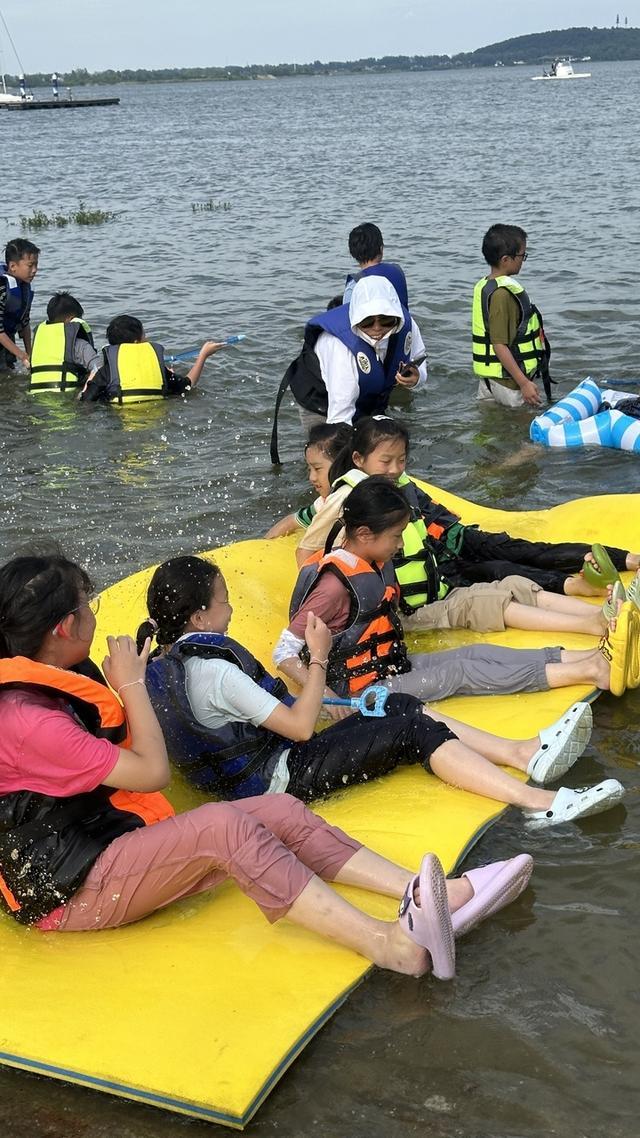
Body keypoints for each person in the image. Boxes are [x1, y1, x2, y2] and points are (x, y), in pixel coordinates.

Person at [0, 550, 536, 981]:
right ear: (65, 627)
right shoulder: (29, 719)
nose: (97, 616)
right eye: (88, 607)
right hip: (65, 893)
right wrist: (133, 685)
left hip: (102, 846)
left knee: (276, 810)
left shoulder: (57, 676)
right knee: (224, 825)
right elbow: (151, 773)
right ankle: (389, 945)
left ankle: (433, 895)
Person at [140, 554, 615, 828]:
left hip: (253, 774)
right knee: (411, 729)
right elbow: (301, 728)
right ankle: (540, 804)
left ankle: (521, 752)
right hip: (282, 781)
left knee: (396, 702)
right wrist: (321, 656)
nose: (230, 609)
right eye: (223, 602)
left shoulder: (162, 665)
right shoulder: (217, 673)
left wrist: (342, 707)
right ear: (199, 617)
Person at [277, 475, 637, 720]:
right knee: (460, 672)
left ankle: (590, 655)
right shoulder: (335, 585)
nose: (401, 544)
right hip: (357, 691)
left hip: (387, 666)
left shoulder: (371, 560)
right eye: (396, 536)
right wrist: (323, 693)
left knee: (473, 653)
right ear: (365, 533)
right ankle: (590, 672)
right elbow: (284, 651)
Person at [295, 416, 640, 603]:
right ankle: (574, 586)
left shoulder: (397, 481)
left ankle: (625, 559)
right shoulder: (347, 497)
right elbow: (307, 544)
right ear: (359, 459)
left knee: (522, 549)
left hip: (454, 540)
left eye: (401, 459)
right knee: (500, 568)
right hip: (440, 565)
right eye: (386, 461)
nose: (395, 468)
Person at [270, 276, 426, 463]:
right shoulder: (340, 348)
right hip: (322, 400)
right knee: (328, 454)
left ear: (396, 316)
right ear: (357, 319)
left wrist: (416, 377)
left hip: (367, 394)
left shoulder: (406, 325)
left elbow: (419, 357)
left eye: (385, 320)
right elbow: (339, 419)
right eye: (368, 322)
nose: (377, 329)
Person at [472, 224, 550, 408]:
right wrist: (524, 383)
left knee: (493, 429)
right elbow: (499, 345)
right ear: (506, 259)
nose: (523, 260)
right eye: (522, 255)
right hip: (510, 384)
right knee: (523, 432)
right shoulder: (502, 295)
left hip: (490, 381)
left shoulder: (486, 285)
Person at [79, 315, 223, 404]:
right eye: (144, 334)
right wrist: (203, 355)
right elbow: (188, 385)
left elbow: (85, 402)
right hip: (155, 417)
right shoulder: (158, 368)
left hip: (119, 420)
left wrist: (90, 379)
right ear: (136, 342)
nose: (146, 338)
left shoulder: (107, 370)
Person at [264, 422, 352, 539]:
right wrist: (265, 542)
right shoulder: (324, 503)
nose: (312, 477)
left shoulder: (360, 499)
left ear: (342, 464)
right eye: (309, 469)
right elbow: (293, 520)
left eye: (317, 469)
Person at [29, 292, 101, 392]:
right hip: (65, 395)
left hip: (36, 394)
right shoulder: (79, 344)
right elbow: (98, 370)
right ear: (72, 319)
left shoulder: (39, 342)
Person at [342, 222, 409, 309]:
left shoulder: (354, 286)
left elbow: (347, 318)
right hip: (401, 321)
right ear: (381, 249)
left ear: (352, 253)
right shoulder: (397, 271)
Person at [0, 238, 39, 373]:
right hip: (2, 335)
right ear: (12, 266)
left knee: (8, 373)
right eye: (30, 265)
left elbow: (24, 322)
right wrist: (22, 356)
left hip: (7, 338)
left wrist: (30, 353)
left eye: (36, 265)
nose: (34, 270)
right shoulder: (3, 288)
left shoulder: (25, 287)